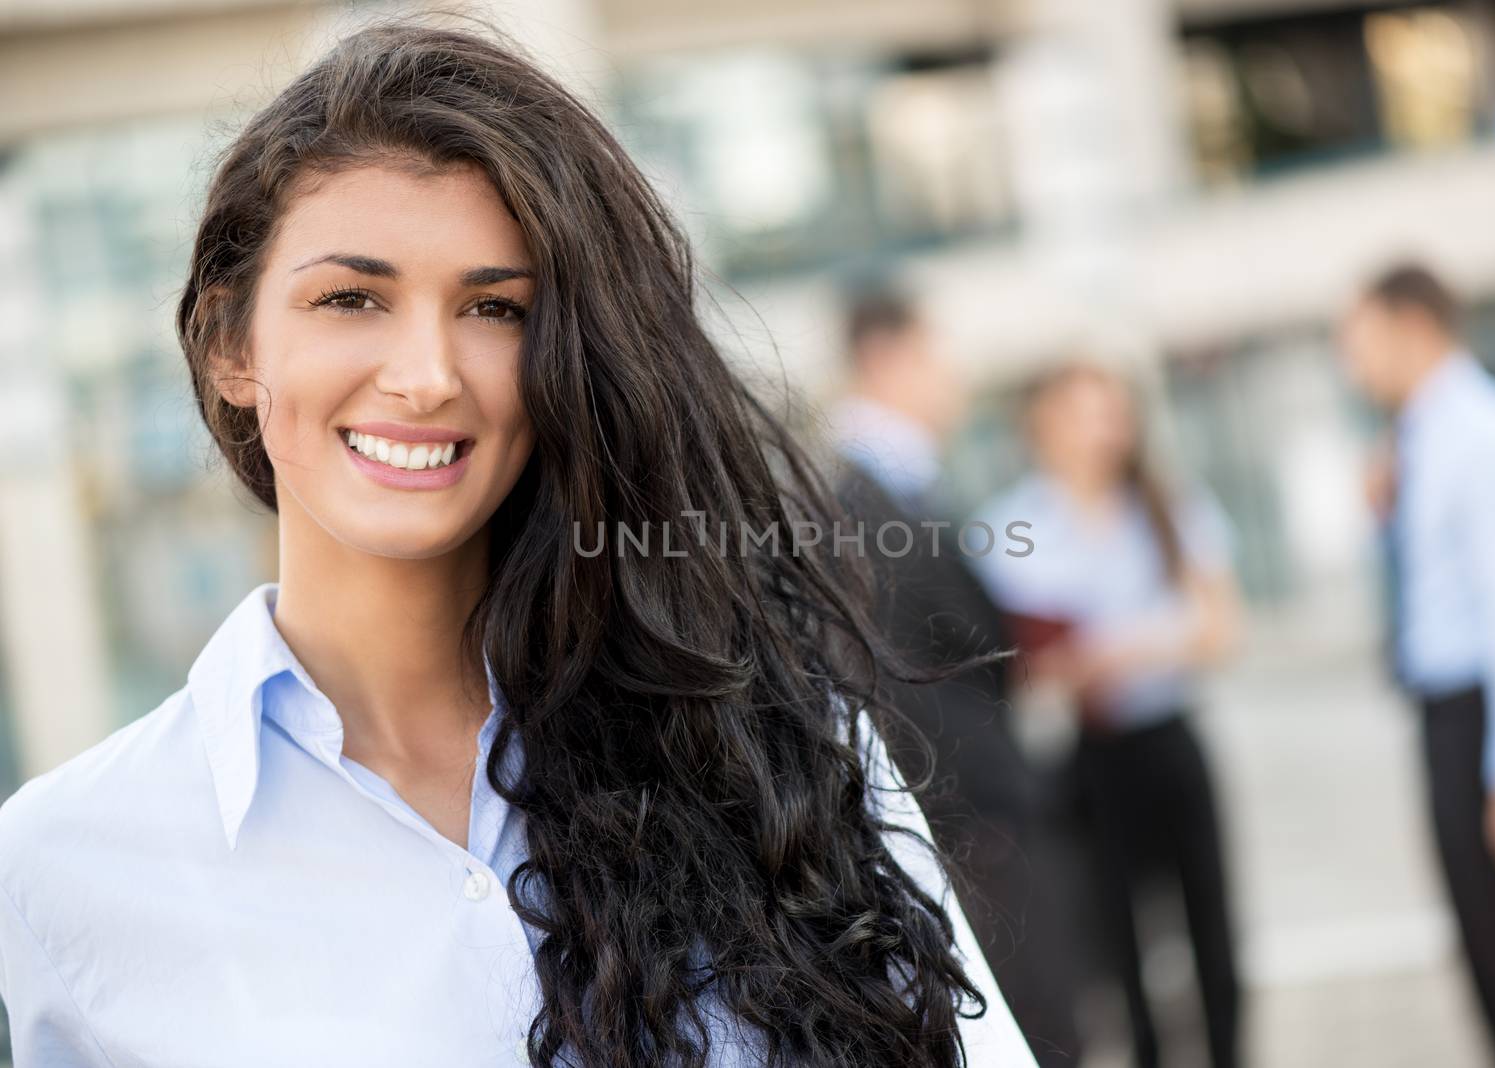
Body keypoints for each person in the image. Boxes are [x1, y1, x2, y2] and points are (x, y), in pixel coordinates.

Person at [0, 19, 1039, 1068]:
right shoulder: (66, 867)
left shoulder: (784, 752)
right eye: (350, 298)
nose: (426, 373)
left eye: (495, 308)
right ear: (229, 341)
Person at [1337, 262, 1495, 1067]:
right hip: (1453, 716)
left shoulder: (1483, 432)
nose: (1351, 363)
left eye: (1359, 340)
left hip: (1486, 716)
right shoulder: (1424, 436)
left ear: (1411, 327)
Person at [825, 290, 1082, 1064]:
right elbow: (899, 673)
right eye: (935, 356)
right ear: (887, 358)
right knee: (1032, 1031)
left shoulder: (895, 487)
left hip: (974, 815)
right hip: (964, 821)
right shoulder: (853, 500)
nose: (953, 379)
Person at [971, 360, 1244, 1068]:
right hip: (1084, 759)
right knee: (1116, 948)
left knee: (1212, 934)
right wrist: (1072, 665)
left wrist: (1113, 653)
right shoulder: (1010, 527)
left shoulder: (1168, 506)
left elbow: (1221, 629)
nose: (1104, 430)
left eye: (1113, 413)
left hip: (1168, 743)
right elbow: (1000, 658)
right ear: (1043, 426)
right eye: (1085, 413)